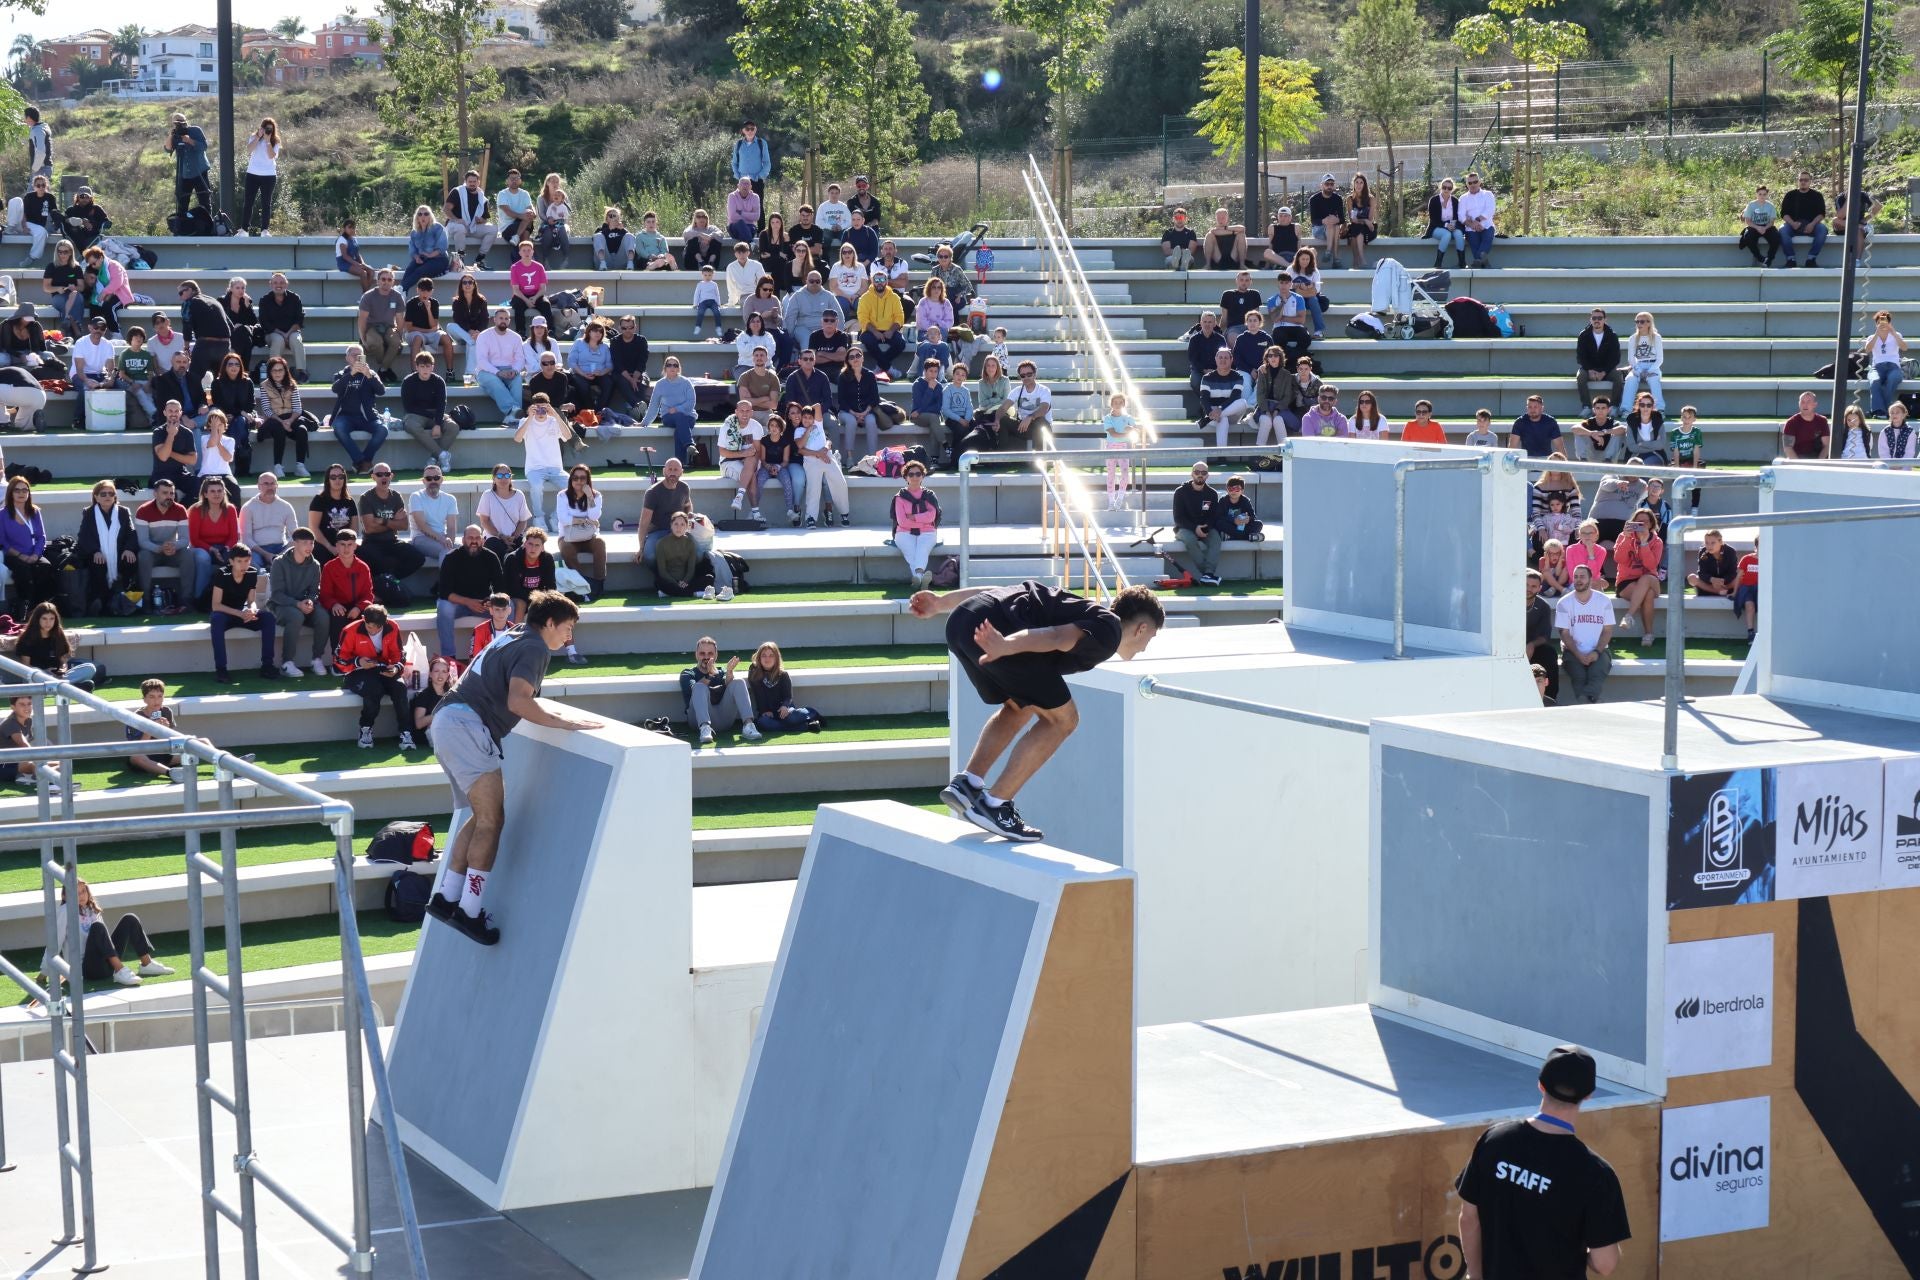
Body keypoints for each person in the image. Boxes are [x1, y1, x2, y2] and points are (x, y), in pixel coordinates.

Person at [917, 581, 1164, 840]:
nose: (1146, 646)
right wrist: (1007, 645)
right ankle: (996, 805)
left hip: (963, 623)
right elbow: (1057, 637)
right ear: (1141, 629)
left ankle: (968, 783)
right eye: (1151, 637)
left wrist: (942, 603)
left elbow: (997, 592)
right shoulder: (1108, 632)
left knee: (1019, 705)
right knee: (1064, 720)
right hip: (996, 633)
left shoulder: (1079, 608)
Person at [425, 589, 602, 942]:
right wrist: (564, 723)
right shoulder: (535, 647)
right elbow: (519, 702)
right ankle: (469, 911)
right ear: (549, 622)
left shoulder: (518, 632)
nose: (570, 636)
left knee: (482, 816)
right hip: (466, 725)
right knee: (492, 821)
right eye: (567, 627)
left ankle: (446, 897)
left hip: (449, 721)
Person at [1456, 1045, 1630, 1280]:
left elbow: (1468, 1218)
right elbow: (1605, 1263)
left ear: (1541, 1085)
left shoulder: (1494, 1140)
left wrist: (1476, 1276)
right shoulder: (1596, 1173)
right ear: (1588, 1095)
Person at [49, 880, 174, 990]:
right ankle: (120, 970)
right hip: (86, 970)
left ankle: (147, 964)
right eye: (76, 893)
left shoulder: (91, 909)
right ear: (65, 896)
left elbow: (104, 941)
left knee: (129, 918)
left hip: (105, 965)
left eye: (83, 891)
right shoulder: (65, 911)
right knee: (97, 927)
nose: (81, 896)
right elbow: (55, 942)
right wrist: (44, 972)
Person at [332, 601, 414, 749]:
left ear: (385, 622)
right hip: (357, 672)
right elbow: (338, 660)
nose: (374, 631)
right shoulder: (349, 630)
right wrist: (358, 662)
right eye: (370, 627)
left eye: (378, 627)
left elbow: (399, 654)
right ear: (363, 619)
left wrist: (396, 668)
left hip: (383, 669)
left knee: (400, 687)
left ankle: (406, 732)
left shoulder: (392, 626)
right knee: (373, 689)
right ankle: (365, 729)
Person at [206, 545, 279, 684]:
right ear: (231, 561)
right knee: (216, 620)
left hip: (241, 613)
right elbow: (216, 605)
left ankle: (267, 666)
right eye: (239, 561)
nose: (243, 565)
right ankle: (221, 669)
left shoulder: (252, 572)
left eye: (246, 561)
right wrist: (240, 613)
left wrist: (252, 610)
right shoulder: (222, 573)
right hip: (225, 614)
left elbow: (251, 601)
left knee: (268, 618)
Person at [433, 524, 505, 658]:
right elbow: (444, 592)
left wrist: (491, 601)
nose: (474, 541)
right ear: (463, 540)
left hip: (483, 604)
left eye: (477, 538)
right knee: (444, 607)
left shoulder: (491, 557)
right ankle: (449, 658)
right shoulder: (451, 557)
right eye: (470, 538)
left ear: (482, 540)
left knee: (507, 606)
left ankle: (503, 653)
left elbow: (500, 589)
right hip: (458, 604)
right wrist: (468, 602)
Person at [268, 528, 328, 677]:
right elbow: (276, 594)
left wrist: (310, 601)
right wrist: (297, 604)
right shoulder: (279, 563)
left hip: (304, 605)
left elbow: (315, 591)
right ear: (295, 543)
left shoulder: (315, 565)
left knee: (323, 616)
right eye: (305, 543)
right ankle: (287, 663)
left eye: (311, 543)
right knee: (296, 616)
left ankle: (316, 659)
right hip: (281, 606)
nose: (309, 546)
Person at [681, 635, 762, 745]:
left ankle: (749, 725)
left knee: (738, 682)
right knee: (699, 686)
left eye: (710, 653)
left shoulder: (721, 671)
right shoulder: (688, 673)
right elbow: (694, 691)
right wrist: (709, 675)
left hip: (723, 719)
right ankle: (705, 728)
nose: (706, 657)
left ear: (716, 655)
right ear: (696, 654)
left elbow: (728, 684)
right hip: (696, 721)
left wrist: (729, 672)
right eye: (702, 653)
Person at [75, 478, 138, 614]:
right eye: (103, 494)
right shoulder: (89, 513)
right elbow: (84, 537)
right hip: (97, 554)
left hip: (119, 553)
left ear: (115, 496)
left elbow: (131, 533)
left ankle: (126, 598)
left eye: (111, 493)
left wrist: (128, 549)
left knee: (130, 560)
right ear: (96, 497)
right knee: (97, 564)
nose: (107, 497)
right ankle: (102, 602)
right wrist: (95, 551)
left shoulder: (123, 512)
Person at [1555, 566, 1615, 704]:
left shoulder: (1604, 600)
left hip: (1600, 649)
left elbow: (1607, 630)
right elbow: (1564, 633)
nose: (1578, 580)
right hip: (1572, 651)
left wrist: (1597, 652)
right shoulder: (1564, 603)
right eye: (1576, 577)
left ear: (1590, 579)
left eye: (1582, 577)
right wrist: (1578, 654)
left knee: (1596, 675)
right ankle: (1592, 704)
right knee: (1579, 676)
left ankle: (1585, 704)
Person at [330, 346, 388, 474]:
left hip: (368, 417)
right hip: (346, 416)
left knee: (382, 430)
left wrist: (369, 376)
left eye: (360, 355)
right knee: (338, 428)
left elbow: (381, 391)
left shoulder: (371, 373)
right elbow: (335, 389)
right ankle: (361, 461)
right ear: (347, 358)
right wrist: (351, 374)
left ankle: (363, 461)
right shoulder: (341, 374)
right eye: (353, 355)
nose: (357, 358)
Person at [134, 479, 190, 611]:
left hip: (172, 551)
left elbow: (185, 539)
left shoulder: (180, 509)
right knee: (143, 556)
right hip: (152, 551)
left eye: (171, 493)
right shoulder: (143, 510)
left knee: (187, 555)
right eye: (165, 493)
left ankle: (186, 600)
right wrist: (159, 548)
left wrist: (174, 546)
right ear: (155, 494)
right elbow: (142, 541)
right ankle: (146, 601)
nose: (169, 496)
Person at [1610, 509, 1663, 644]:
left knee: (1646, 578)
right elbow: (1619, 559)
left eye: (1645, 522)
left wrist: (1644, 543)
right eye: (1639, 522)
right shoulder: (1623, 536)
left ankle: (1629, 615)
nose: (1642, 525)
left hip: (1651, 579)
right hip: (1627, 581)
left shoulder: (1657, 541)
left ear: (1651, 524)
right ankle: (1648, 634)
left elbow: (1651, 566)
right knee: (1648, 594)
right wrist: (1627, 538)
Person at [14, 601, 95, 686]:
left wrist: (63, 669)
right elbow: (26, 667)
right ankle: (68, 686)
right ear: (37, 619)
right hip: (38, 676)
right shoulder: (27, 638)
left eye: (51, 619)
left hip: (58, 676)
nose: (48, 623)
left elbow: (63, 661)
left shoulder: (58, 635)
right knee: (35, 671)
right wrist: (46, 672)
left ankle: (60, 686)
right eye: (44, 619)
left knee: (90, 668)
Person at [319, 527, 374, 653]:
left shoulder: (363, 567)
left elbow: (368, 594)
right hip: (338, 607)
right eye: (342, 544)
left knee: (370, 618)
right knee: (337, 618)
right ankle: (338, 658)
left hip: (358, 607)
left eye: (350, 544)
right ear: (337, 546)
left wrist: (359, 607)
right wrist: (334, 604)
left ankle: (363, 656)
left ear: (355, 546)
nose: (346, 548)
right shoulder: (329, 567)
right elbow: (325, 594)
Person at [1168, 461, 1223, 586]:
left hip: (1204, 527)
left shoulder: (1212, 494)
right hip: (1184, 528)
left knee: (1216, 539)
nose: (1200, 475)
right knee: (1190, 539)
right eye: (1197, 472)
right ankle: (1207, 574)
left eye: (1203, 473)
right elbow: (1178, 518)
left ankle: (1208, 574)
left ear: (1207, 475)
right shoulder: (1180, 492)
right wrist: (1195, 528)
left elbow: (1213, 516)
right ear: (1192, 474)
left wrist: (1206, 527)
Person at [125, 679, 193, 777]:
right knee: (136, 758)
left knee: (200, 742)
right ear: (144, 699)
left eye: (160, 696)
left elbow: (171, 742)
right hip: (145, 755)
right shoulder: (136, 717)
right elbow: (138, 748)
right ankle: (171, 773)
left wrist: (166, 731)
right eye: (151, 697)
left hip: (165, 753)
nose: (156, 701)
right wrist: (150, 729)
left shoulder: (166, 711)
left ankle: (217, 761)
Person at [890, 459, 941, 590]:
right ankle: (920, 577)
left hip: (927, 532)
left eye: (918, 474)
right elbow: (902, 521)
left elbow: (932, 516)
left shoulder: (929, 495)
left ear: (923, 476)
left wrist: (914, 517)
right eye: (911, 474)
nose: (914, 477)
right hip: (904, 533)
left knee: (922, 549)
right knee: (911, 552)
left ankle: (917, 578)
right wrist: (923, 522)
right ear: (906, 477)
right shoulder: (899, 497)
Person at [637, 356, 698, 463]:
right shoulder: (660, 384)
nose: (672, 367)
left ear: (678, 368)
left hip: (688, 416)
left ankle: (681, 464)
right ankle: (689, 444)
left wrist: (677, 409)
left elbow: (691, 402)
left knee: (679, 430)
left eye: (675, 365)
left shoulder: (686, 382)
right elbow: (654, 405)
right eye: (669, 365)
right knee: (680, 418)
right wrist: (644, 423)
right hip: (668, 417)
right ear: (665, 368)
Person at [799, 403, 850, 529]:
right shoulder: (799, 431)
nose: (807, 420)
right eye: (804, 417)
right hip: (811, 461)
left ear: (814, 419)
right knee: (813, 489)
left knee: (840, 483)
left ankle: (844, 514)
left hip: (827, 457)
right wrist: (818, 453)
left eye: (810, 417)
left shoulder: (818, 424)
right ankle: (810, 518)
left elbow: (817, 406)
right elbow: (800, 447)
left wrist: (825, 450)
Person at [0, 693, 61, 788]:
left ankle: (29, 777)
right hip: (4, 766)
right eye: (22, 704)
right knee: (33, 765)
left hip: (20, 761)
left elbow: (32, 741)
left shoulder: (28, 720)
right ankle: (50, 783)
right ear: (13, 707)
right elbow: (25, 746)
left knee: (63, 764)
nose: (27, 707)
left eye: (29, 704)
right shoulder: (9, 723)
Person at [238, 472, 298, 567]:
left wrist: (281, 555)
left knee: (299, 555)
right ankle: (262, 576)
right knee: (249, 562)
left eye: (272, 483)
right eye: (266, 484)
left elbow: (295, 535)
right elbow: (246, 539)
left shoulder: (286, 506)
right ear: (258, 486)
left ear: (277, 485)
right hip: (256, 549)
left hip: (281, 547)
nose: (270, 487)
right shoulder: (248, 507)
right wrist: (266, 554)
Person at [653, 510, 716, 599]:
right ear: (671, 525)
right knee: (659, 582)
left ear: (686, 527)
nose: (679, 527)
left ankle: (672, 593)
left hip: (687, 581)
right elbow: (662, 571)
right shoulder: (661, 543)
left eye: (682, 524)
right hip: (670, 581)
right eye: (676, 524)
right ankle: (692, 593)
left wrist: (685, 582)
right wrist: (676, 583)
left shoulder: (690, 543)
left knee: (709, 578)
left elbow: (691, 569)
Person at [164, 111, 212, 228]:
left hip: (199, 171)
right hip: (184, 174)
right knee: (182, 204)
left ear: (186, 121)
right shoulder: (174, 135)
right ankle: (183, 229)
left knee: (205, 201)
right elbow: (167, 149)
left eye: (181, 122)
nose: (179, 125)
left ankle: (209, 228)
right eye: (176, 123)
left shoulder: (195, 130)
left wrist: (189, 140)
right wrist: (171, 135)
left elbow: (204, 147)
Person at [258, 273, 307, 384]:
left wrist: (288, 334)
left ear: (286, 284)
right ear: (270, 284)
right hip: (272, 333)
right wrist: (281, 334)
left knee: (296, 339)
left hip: (292, 331)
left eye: (281, 282)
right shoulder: (264, 300)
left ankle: (301, 372)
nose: (278, 285)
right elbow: (264, 322)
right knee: (278, 340)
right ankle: (273, 372)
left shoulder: (295, 298)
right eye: (275, 283)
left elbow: (299, 320)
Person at [857, 272, 907, 378]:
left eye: (882, 280)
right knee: (868, 340)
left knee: (901, 343)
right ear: (872, 281)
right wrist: (875, 332)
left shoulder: (894, 297)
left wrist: (891, 331)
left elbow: (899, 317)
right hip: (871, 331)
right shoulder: (865, 298)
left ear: (887, 281)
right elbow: (863, 318)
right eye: (877, 280)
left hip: (890, 330)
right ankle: (889, 369)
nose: (879, 283)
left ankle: (879, 367)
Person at [444, 169, 496, 269]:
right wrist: (456, 219)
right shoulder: (457, 192)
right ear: (465, 182)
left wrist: (481, 220)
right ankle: (459, 262)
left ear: (478, 182)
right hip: (454, 225)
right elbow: (446, 209)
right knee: (460, 228)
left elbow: (485, 219)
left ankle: (480, 259)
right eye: (470, 182)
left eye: (474, 181)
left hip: (471, 227)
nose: (472, 184)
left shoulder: (482, 197)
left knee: (493, 229)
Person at [1574, 308, 1622, 413]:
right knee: (1580, 376)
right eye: (1594, 318)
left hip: (1607, 370)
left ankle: (1614, 407)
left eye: (1600, 318)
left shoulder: (1612, 335)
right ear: (1590, 319)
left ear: (1605, 319)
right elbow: (1581, 357)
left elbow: (1615, 358)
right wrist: (1589, 370)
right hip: (1588, 369)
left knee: (1618, 376)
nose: (1597, 320)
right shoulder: (1583, 335)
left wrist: (1604, 372)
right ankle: (1586, 407)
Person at [240, 117, 283, 234]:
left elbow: (271, 156)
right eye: (266, 128)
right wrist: (258, 137)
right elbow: (249, 150)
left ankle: (264, 230)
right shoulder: (254, 137)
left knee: (266, 204)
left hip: (268, 175)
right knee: (248, 202)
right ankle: (244, 229)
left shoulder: (275, 141)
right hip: (252, 174)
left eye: (270, 129)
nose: (268, 131)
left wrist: (268, 141)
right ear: (261, 128)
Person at [1862, 310, 1908, 417]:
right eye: (1879, 322)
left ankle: (1883, 410)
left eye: (1885, 322)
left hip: (1894, 367)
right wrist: (1877, 333)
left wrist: (1892, 331)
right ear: (1876, 324)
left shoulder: (1896, 335)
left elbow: (1904, 348)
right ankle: (1880, 411)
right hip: (1877, 367)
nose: (1882, 324)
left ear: (1889, 323)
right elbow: (1867, 350)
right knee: (1875, 381)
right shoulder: (1871, 337)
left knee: (1893, 378)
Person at [1780, 170, 1828, 268]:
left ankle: (1811, 258)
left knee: (1822, 229)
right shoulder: (1790, 195)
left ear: (1810, 181)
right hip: (1793, 225)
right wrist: (1792, 223)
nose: (1803, 182)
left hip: (1812, 225)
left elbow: (1821, 214)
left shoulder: (1817, 195)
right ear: (1797, 181)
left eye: (1806, 180)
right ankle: (1791, 259)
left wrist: (1812, 224)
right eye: (1801, 180)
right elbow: (1784, 214)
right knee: (1782, 230)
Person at [1524, 569, 1559, 702]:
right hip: (1508, 646)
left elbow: (1545, 635)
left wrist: (1531, 645)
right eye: (1526, 585)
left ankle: (1550, 698)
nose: (1529, 589)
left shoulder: (1543, 606)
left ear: (1539, 588)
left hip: (1533, 647)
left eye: (1533, 586)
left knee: (1549, 653)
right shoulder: (1508, 602)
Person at [1619, 312, 1664, 412]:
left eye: (1642, 322)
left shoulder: (1656, 337)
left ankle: (1660, 409)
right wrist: (1639, 370)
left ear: (1649, 323)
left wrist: (1649, 371)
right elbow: (1631, 359)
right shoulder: (1633, 338)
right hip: (1638, 366)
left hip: (1653, 366)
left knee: (1654, 380)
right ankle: (1626, 410)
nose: (1639, 324)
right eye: (1637, 321)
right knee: (1630, 379)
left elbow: (1660, 359)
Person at [507, 238, 552, 338]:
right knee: (518, 305)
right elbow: (516, 290)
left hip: (537, 295)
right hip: (521, 295)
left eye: (529, 250)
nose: (526, 253)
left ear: (532, 252)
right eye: (524, 250)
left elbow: (543, 288)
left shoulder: (539, 267)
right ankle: (521, 332)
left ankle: (550, 331)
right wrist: (526, 300)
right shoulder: (515, 267)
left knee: (546, 304)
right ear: (520, 253)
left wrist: (535, 298)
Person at [1688, 528, 1738, 605]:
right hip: (1709, 585)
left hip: (1726, 585)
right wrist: (1712, 579)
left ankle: (1722, 590)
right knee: (1691, 578)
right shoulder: (1703, 552)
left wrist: (1722, 580)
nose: (1709, 546)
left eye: (1713, 543)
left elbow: (1733, 573)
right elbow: (1701, 573)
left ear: (1720, 542)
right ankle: (1718, 591)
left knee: (1741, 577)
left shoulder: (1730, 551)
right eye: (1707, 543)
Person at [1427, 177, 1468, 268]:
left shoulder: (1455, 201)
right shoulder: (1434, 200)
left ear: (1452, 189)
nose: (1446, 190)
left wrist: (1453, 226)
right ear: (1441, 187)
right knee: (1447, 234)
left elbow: (1457, 217)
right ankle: (1438, 263)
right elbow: (1433, 219)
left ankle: (1462, 262)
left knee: (1459, 233)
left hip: (1452, 227)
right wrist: (1446, 225)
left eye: (1449, 188)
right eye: (1444, 187)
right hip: (1436, 227)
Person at [1308, 176, 1348, 268]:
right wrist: (1324, 220)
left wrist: (1337, 219)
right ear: (1321, 185)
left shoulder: (1338, 198)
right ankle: (1336, 258)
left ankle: (1328, 252)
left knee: (1335, 225)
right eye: (1327, 184)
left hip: (1333, 229)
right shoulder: (1314, 199)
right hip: (1318, 229)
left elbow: (1342, 219)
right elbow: (1313, 221)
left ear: (1334, 186)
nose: (1329, 186)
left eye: (1331, 184)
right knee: (1331, 224)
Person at [1459, 170, 1496, 268]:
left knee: (1487, 238)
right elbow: (1461, 216)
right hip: (1471, 229)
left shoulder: (1488, 194)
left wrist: (1478, 220)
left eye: (1475, 182)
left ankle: (1479, 261)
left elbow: (1490, 209)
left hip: (1487, 226)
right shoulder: (1463, 198)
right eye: (1470, 183)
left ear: (1479, 182)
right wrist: (1472, 225)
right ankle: (1484, 262)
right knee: (1474, 245)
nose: (1473, 185)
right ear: (1467, 184)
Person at [1739, 184, 1781, 267]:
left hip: (1767, 226)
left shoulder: (1770, 206)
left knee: (1776, 237)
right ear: (1756, 194)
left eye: (1764, 194)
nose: (1762, 196)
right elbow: (1748, 221)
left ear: (1767, 195)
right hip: (1754, 226)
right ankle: (1760, 258)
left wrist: (1765, 228)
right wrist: (1757, 227)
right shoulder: (1751, 205)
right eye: (1760, 194)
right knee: (1748, 236)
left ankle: (1769, 259)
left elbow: (1772, 222)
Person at [535, 174, 572, 267]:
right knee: (548, 233)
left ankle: (566, 258)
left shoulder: (564, 196)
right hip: (546, 223)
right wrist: (548, 219)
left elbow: (568, 211)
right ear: (547, 183)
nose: (555, 184)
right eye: (553, 181)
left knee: (562, 230)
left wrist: (562, 213)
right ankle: (545, 260)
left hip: (561, 223)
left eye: (557, 182)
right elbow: (541, 213)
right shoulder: (541, 198)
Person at [1620, 392, 1667, 465]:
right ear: (1638, 406)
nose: (1645, 407)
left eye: (1649, 405)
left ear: (1652, 407)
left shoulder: (1658, 421)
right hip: (1635, 455)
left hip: (1656, 455)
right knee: (1634, 464)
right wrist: (1653, 445)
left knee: (1646, 464)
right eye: (1642, 405)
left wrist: (1642, 444)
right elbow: (1632, 447)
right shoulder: (1632, 422)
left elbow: (1662, 444)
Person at [1781, 390, 1830, 459]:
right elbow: (1788, 448)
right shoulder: (1791, 422)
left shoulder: (1822, 421)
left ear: (1815, 404)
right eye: (1802, 402)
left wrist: (1819, 462)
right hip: (1797, 458)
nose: (1805, 405)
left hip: (1817, 458)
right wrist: (1799, 464)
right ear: (1799, 404)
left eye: (1808, 402)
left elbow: (1827, 445)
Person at [494, 169, 536, 248]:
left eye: (516, 178)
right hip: (507, 228)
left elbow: (531, 209)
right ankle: (524, 246)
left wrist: (532, 213)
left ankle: (518, 240)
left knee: (529, 214)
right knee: (526, 226)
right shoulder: (502, 194)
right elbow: (508, 212)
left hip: (523, 223)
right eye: (512, 179)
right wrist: (523, 216)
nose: (514, 181)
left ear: (520, 181)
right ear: (507, 181)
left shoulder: (525, 194)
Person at [1344, 174, 1378, 269]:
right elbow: (1352, 219)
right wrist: (1364, 220)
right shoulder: (1350, 199)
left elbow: (1370, 220)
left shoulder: (1371, 199)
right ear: (1354, 184)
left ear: (1364, 185)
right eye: (1357, 182)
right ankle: (1361, 259)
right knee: (1356, 229)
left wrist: (1363, 221)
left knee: (1356, 230)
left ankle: (1356, 261)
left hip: (1369, 229)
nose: (1359, 185)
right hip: (1356, 226)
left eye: (1361, 183)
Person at [335, 218, 375, 290]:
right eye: (349, 227)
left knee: (371, 271)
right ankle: (366, 294)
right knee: (363, 273)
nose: (352, 230)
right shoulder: (342, 240)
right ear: (344, 228)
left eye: (353, 228)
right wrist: (357, 264)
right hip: (344, 263)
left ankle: (366, 293)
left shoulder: (354, 239)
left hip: (354, 262)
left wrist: (363, 263)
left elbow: (358, 254)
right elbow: (345, 256)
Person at [1734, 537, 1760, 641]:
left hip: (1762, 591)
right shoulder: (1746, 559)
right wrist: (1734, 592)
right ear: (1756, 546)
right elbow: (1739, 577)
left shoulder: (1770, 560)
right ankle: (1750, 633)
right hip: (1747, 589)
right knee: (1750, 606)